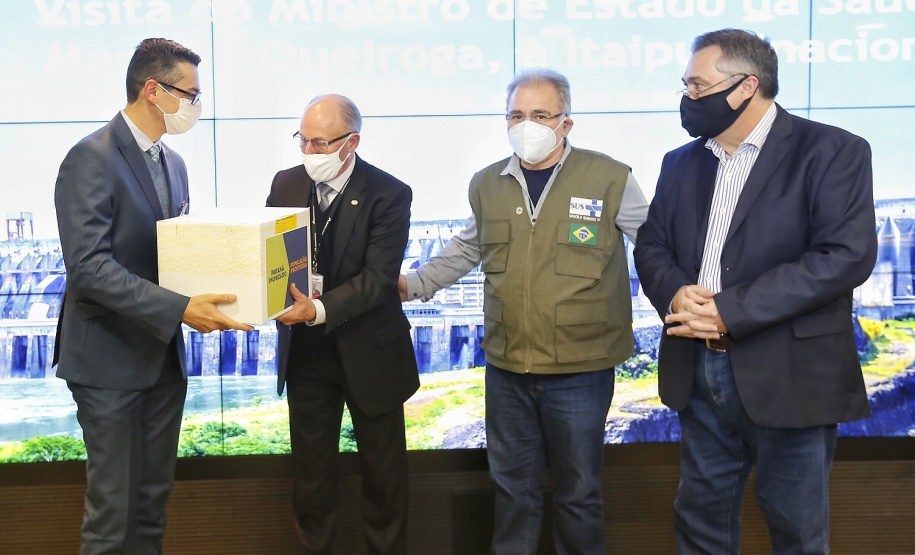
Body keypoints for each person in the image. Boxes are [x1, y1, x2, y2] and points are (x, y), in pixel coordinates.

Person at [633, 28, 877, 554]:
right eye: (685, 85)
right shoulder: (681, 162)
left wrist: (728, 312)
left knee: (797, 531)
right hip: (697, 372)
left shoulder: (832, 150)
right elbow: (651, 244)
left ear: (746, 87)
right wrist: (676, 293)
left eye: (697, 86)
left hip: (788, 373)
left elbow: (844, 257)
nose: (687, 97)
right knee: (700, 526)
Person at [400, 69, 649, 554]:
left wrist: (688, 296)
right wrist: (411, 284)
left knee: (579, 495)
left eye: (540, 115)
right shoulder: (487, 183)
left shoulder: (609, 177)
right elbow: (465, 250)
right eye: (516, 115)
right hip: (508, 368)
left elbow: (656, 247)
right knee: (514, 493)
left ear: (566, 123)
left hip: (582, 368)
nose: (526, 124)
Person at [53, 38, 253, 554]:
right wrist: (180, 308)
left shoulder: (174, 163)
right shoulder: (91, 158)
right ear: (153, 89)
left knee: (149, 511)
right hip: (108, 364)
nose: (196, 106)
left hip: (161, 361)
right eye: (190, 93)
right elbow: (90, 267)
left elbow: (175, 256)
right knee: (112, 518)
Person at [266, 94, 419, 555]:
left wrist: (319, 308)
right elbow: (267, 257)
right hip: (308, 357)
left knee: (384, 481)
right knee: (312, 484)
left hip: (371, 352)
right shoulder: (285, 184)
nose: (310, 153)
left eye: (320, 143)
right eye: (303, 142)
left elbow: (377, 282)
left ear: (350, 142)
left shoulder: (390, 194)